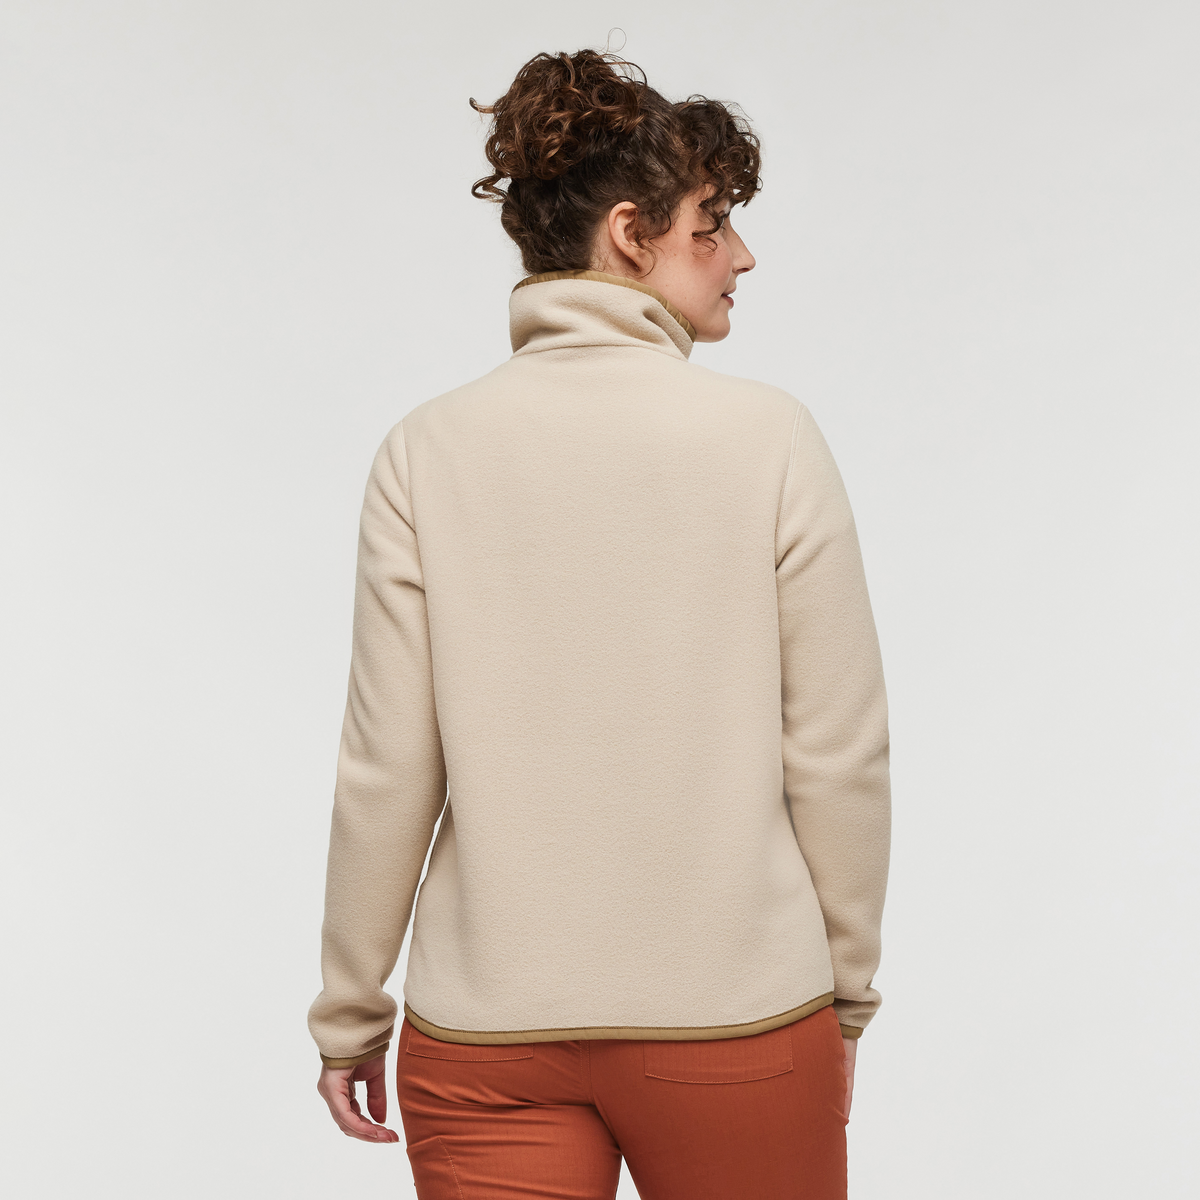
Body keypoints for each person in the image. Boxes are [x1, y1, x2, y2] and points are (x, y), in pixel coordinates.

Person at [308, 47, 891, 1200]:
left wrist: (350, 1010)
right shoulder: (770, 438)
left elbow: (387, 765)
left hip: (485, 1037)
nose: (742, 255)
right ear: (631, 234)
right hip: (738, 1020)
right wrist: (846, 996)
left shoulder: (425, 451)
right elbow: (838, 750)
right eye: (713, 225)